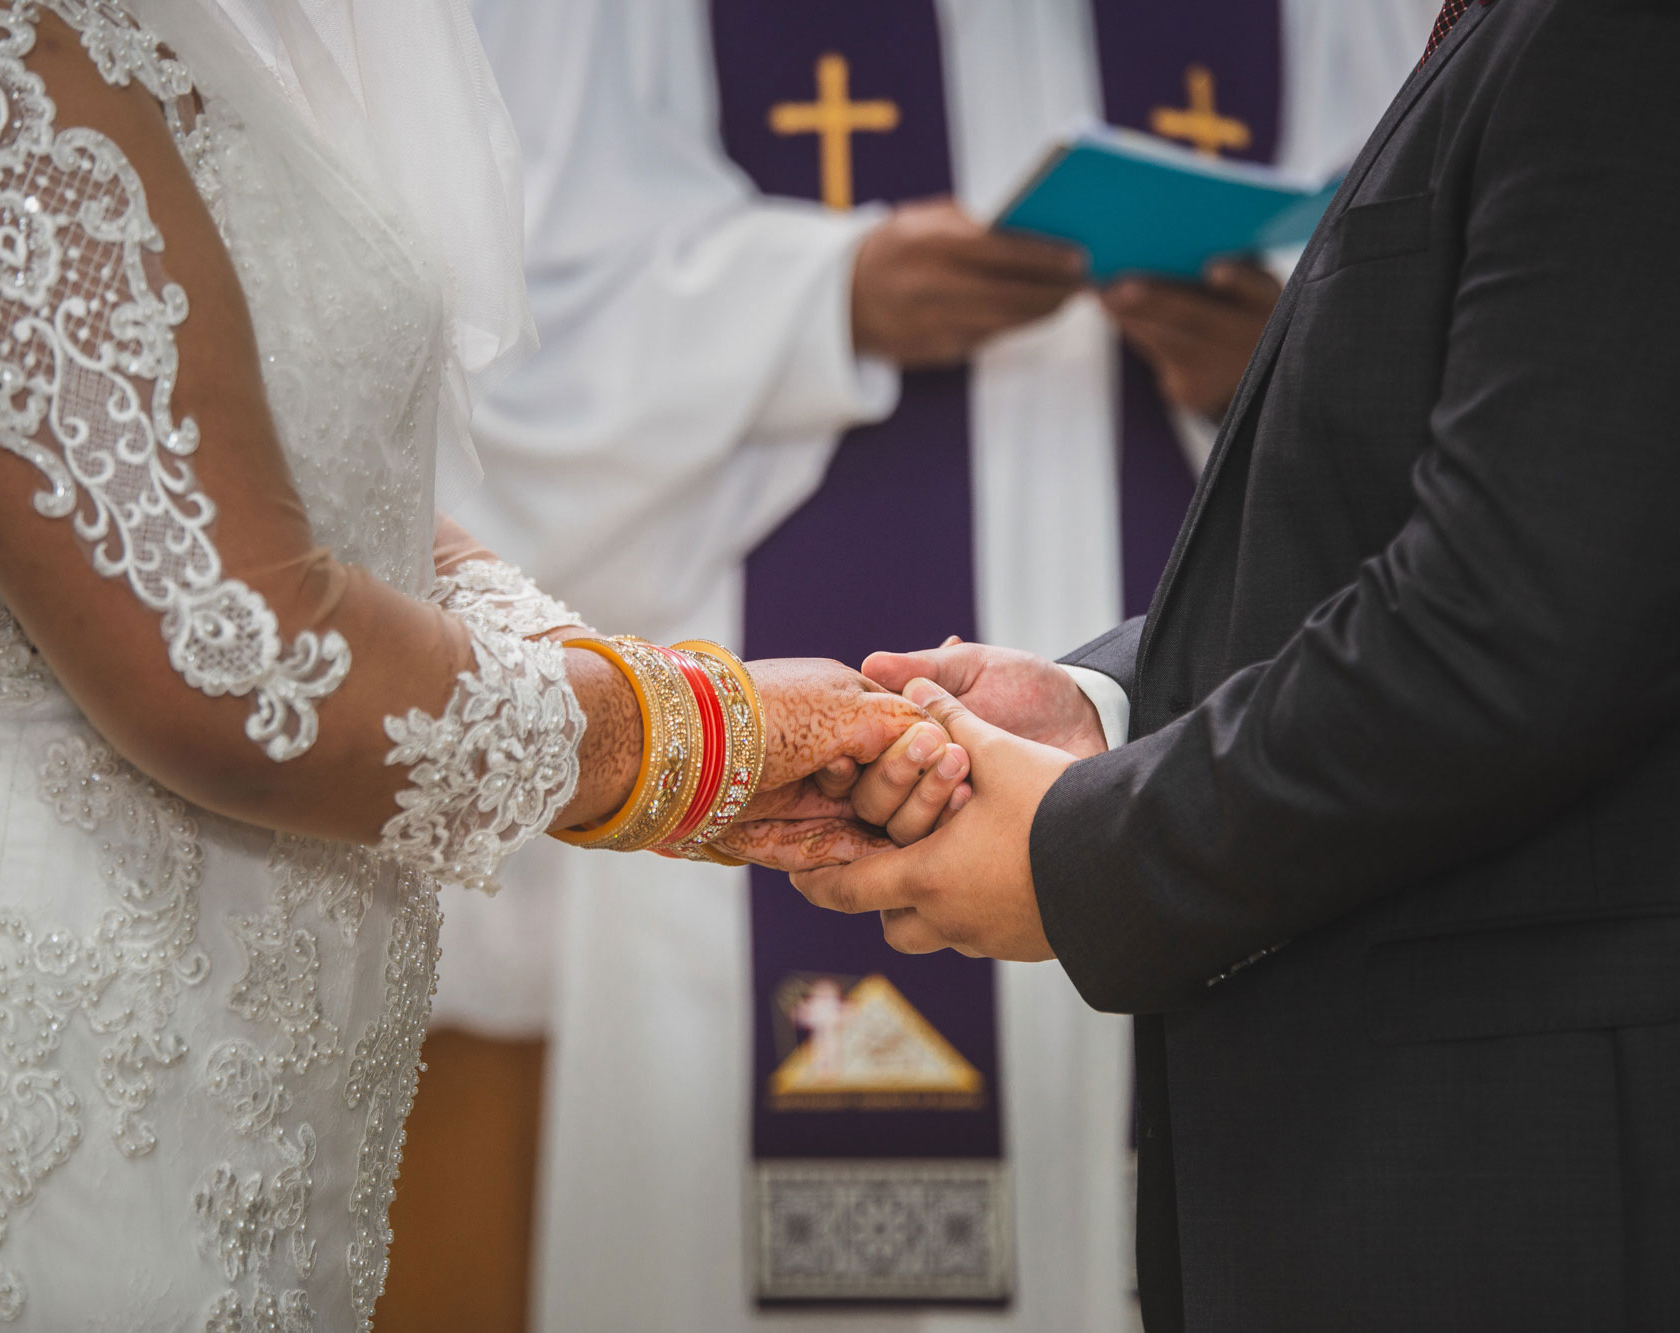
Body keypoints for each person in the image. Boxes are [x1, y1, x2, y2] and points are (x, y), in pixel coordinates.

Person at [0, 1, 936, 1327]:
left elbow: (316, 494)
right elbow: (240, 662)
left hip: (252, 1047)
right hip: (41, 1030)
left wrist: (630, 685)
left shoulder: (216, 42)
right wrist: (696, 736)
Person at [801, 0, 1680, 1328]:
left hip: (1574, 1165)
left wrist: (1074, 854)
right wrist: (1111, 708)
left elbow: (1514, 623)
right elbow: (1493, 516)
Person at [444, 1, 1435, 1326]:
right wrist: (830, 297)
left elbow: (1449, 334)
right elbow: (498, 368)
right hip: (765, 713)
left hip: (1171, 714)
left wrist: (1282, 360)